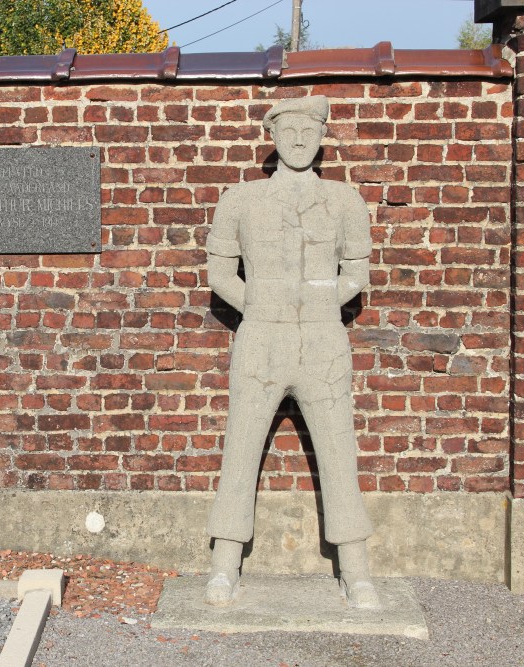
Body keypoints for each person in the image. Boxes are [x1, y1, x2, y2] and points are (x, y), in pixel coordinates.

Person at [203, 96, 379, 609]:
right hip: (260, 336)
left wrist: (319, 300)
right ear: (273, 136)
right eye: (289, 130)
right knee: (241, 447)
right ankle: (224, 563)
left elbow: (355, 274)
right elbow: (219, 274)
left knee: (338, 450)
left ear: (321, 136)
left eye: (308, 129)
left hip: (323, 338)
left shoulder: (345, 201)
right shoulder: (240, 199)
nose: (299, 139)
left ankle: (357, 570)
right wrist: (259, 302)